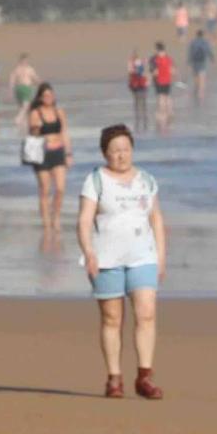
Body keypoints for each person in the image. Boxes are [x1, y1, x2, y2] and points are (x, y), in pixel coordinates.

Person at [76, 125, 166, 400]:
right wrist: (89, 252)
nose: (121, 155)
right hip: (106, 259)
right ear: (105, 153)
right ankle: (114, 378)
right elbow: (84, 220)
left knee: (146, 313)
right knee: (112, 318)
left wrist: (161, 256)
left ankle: (145, 376)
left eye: (126, 149)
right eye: (115, 150)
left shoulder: (146, 180)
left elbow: (156, 219)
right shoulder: (95, 180)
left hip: (143, 256)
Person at [27, 83, 73, 231]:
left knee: (60, 188)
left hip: (58, 152)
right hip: (42, 153)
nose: (49, 98)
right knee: (45, 189)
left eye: (51, 95)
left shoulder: (59, 112)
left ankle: (56, 217)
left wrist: (68, 153)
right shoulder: (35, 113)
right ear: (40, 98)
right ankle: (46, 222)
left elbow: (64, 133)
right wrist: (36, 127)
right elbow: (32, 134)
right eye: (45, 95)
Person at [8, 53, 40, 130]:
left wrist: (11, 90)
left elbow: (12, 80)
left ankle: (23, 125)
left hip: (18, 88)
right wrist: (40, 83)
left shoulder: (16, 69)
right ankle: (18, 118)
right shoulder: (29, 69)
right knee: (26, 106)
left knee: (21, 107)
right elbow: (35, 78)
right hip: (26, 88)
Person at [149, 43, 175, 127]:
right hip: (168, 80)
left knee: (161, 97)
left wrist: (150, 78)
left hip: (160, 80)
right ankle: (170, 112)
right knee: (167, 96)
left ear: (157, 50)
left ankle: (161, 113)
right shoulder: (168, 58)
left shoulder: (156, 59)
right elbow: (172, 70)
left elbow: (155, 72)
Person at [187, 30, 215, 106]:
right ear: (203, 35)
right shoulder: (205, 42)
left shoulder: (193, 42)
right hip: (202, 61)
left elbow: (190, 52)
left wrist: (188, 61)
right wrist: (212, 58)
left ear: (196, 35)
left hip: (194, 61)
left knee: (196, 76)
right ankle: (201, 94)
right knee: (202, 77)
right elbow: (208, 50)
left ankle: (196, 90)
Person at [127, 50, 149, 133]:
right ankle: (144, 115)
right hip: (141, 84)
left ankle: (138, 116)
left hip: (135, 84)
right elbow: (145, 73)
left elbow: (130, 73)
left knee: (136, 100)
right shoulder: (141, 62)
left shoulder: (132, 63)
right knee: (143, 100)